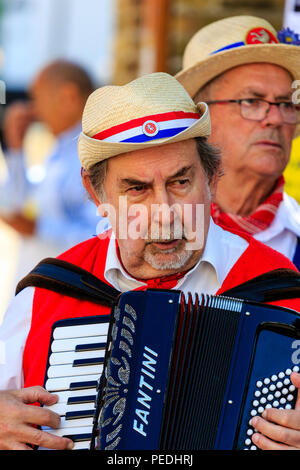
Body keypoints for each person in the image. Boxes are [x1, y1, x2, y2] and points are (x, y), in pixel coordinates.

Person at [0, 72, 300, 451]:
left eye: (180, 182)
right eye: (137, 189)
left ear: (210, 177)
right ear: (95, 192)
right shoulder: (46, 295)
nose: (165, 213)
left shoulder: (282, 290)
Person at [176, 15, 300, 269]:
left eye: (287, 104)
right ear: (200, 117)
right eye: (252, 101)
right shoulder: (148, 235)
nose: (275, 118)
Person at [0, 60, 99, 279]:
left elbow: (103, 236)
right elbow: (17, 203)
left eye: (37, 98)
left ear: (68, 96)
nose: (32, 109)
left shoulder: (93, 154)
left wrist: (37, 229)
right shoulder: (61, 149)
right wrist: (15, 150)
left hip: (67, 293)